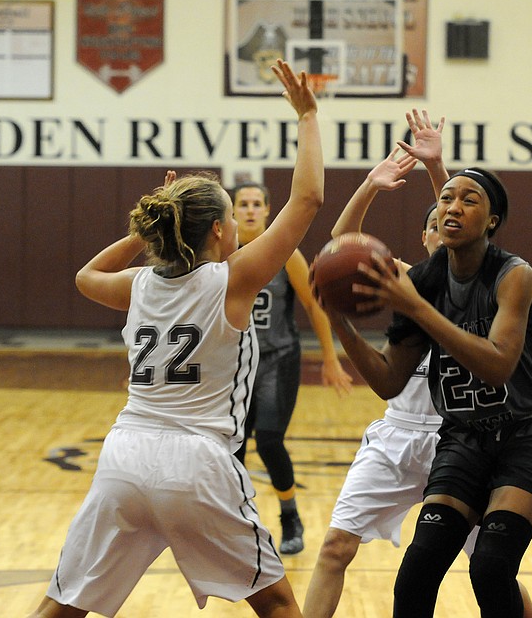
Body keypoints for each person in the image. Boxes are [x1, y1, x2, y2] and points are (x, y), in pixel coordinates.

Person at [28, 59, 322, 618]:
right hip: (197, 463)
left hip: (123, 456)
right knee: (280, 606)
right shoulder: (233, 280)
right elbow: (305, 200)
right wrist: (307, 117)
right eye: (233, 216)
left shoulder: (137, 285)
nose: (239, 225)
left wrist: (142, 231)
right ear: (218, 230)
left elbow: (85, 277)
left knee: (61, 606)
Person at [313, 117, 532, 616]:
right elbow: (390, 381)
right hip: (464, 433)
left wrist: (415, 308)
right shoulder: (425, 282)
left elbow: (497, 367)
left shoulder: (512, 274)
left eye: (466, 202)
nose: (450, 210)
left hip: (531, 432)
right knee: (418, 568)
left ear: (493, 219)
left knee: (491, 567)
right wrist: (339, 321)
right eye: (442, 204)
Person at [232, 179, 353, 555]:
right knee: (230, 448)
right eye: (244, 204)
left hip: (277, 358)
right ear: (232, 211)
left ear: (269, 210)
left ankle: (290, 516)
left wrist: (330, 358)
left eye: (257, 203)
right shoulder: (220, 253)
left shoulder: (285, 253)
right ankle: (236, 523)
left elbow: (314, 305)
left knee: (268, 441)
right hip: (234, 363)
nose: (251, 209)